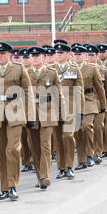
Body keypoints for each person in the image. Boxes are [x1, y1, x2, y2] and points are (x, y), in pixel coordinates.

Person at [0, 42, 34, 201]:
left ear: (9, 54)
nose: (0, 56)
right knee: (1, 152)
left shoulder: (19, 69)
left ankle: (12, 186)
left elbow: (28, 92)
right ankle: (4, 188)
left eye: (3, 53)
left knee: (13, 149)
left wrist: (30, 117)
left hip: (15, 110)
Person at [26, 46, 62, 189]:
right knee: (34, 147)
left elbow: (59, 95)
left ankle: (45, 176)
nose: (35, 58)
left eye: (38, 56)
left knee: (45, 145)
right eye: (32, 56)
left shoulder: (51, 73)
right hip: (31, 113)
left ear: (43, 57)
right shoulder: (26, 74)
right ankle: (39, 175)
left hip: (48, 112)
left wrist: (61, 114)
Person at [51, 43, 84, 179]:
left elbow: (79, 90)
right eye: (57, 53)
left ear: (67, 54)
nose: (59, 55)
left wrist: (80, 110)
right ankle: (62, 167)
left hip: (70, 107)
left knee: (67, 136)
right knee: (58, 139)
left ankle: (69, 166)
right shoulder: (50, 70)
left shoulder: (74, 69)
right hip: (54, 108)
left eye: (62, 53)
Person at [72, 45, 107, 170]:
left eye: (80, 54)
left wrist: (103, 106)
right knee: (77, 131)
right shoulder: (69, 69)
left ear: (84, 55)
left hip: (89, 100)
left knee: (87, 126)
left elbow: (100, 88)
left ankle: (90, 154)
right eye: (75, 54)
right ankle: (81, 160)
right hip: (75, 102)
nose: (77, 56)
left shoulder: (91, 68)